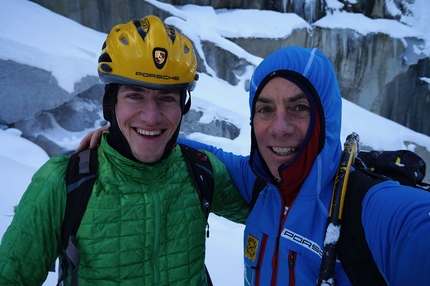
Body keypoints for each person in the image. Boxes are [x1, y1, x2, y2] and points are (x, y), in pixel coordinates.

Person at [80, 46, 430, 285]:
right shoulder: (261, 184)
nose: (279, 127)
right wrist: (138, 134)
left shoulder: (371, 208)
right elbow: (208, 154)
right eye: (265, 109)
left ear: (326, 118)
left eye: (299, 107)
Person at [0, 15, 249, 285]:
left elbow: (275, 207)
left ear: (182, 108)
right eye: (135, 95)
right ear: (111, 104)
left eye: (166, 97)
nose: (151, 117)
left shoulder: (201, 170)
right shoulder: (63, 182)